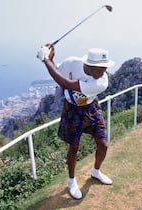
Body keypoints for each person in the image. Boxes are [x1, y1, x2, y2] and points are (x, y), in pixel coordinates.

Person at [37, 44, 114, 199]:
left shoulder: (101, 82)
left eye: (104, 68)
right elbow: (59, 75)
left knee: (103, 144)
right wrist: (50, 58)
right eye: (99, 69)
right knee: (74, 147)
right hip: (72, 110)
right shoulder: (72, 62)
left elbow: (67, 84)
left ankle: (96, 171)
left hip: (90, 108)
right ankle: (72, 181)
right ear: (89, 65)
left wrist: (45, 60)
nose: (103, 72)